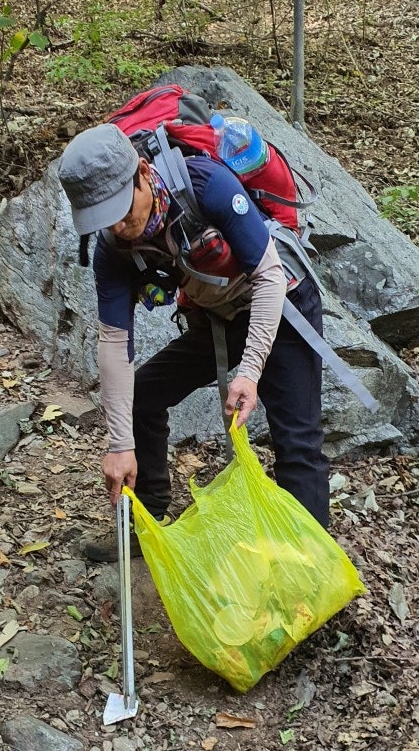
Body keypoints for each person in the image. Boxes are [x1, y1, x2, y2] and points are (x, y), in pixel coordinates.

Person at [57, 122, 329, 558]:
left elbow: (269, 276)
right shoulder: (114, 249)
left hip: (282, 303)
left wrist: (250, 371)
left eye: (123, 210)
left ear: (142, 173)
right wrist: (120, 444)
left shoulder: (205, 184)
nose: (120, 227)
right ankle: (147, 524)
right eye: (104, 219)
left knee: (296, 439)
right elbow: (114, 344)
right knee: (143, 396)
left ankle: (310, 566)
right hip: (219, 315)